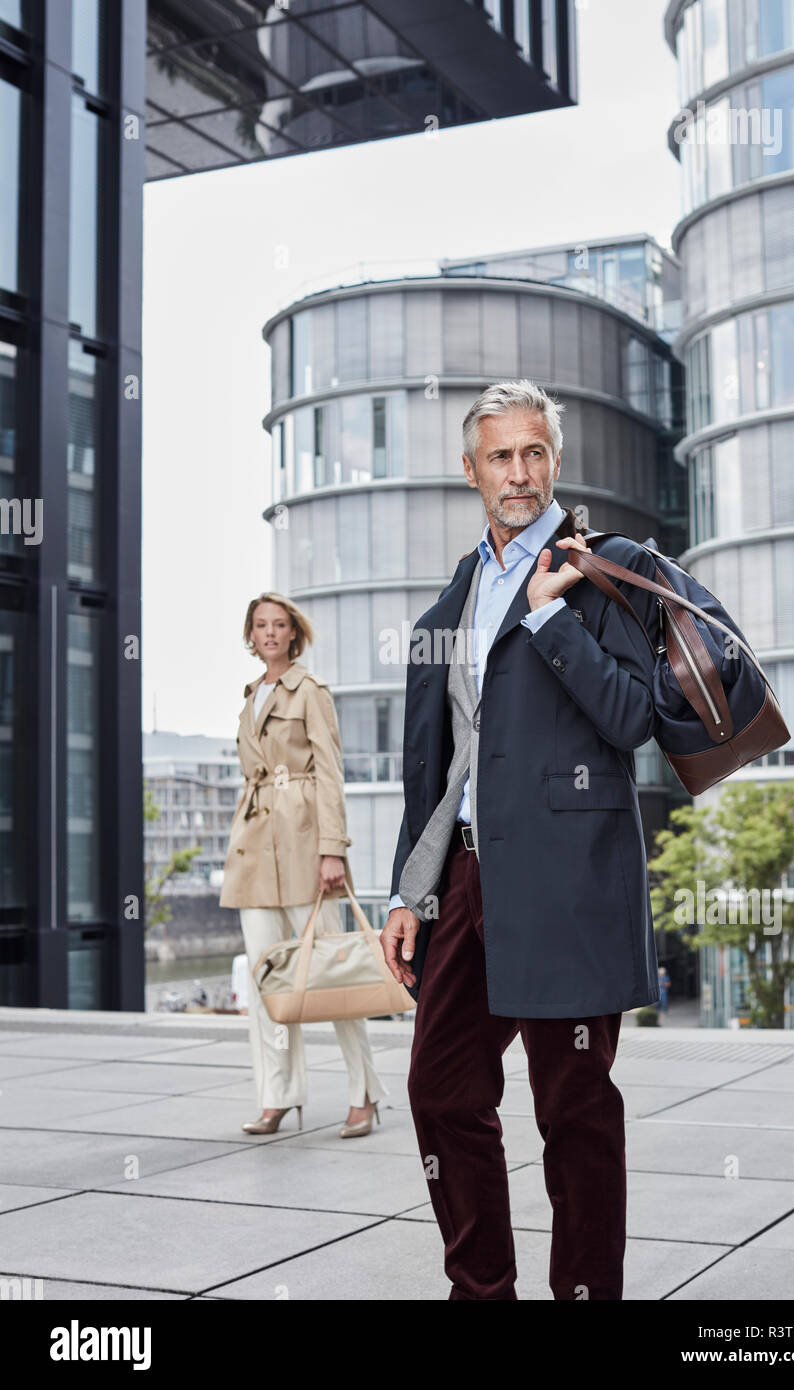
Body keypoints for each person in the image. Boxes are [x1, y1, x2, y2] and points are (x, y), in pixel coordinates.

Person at [382, 380, 662, 1300]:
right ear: (471, 471)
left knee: (574, 1109)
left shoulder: (605, 570)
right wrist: (408, 894)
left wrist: (548, 615)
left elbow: (630, 719)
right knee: (441, 1090)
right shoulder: (449, 608)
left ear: (554, 462)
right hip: (467, 881)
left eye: (535, 452)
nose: (520, 472)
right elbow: (436, 770)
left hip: (568, 882)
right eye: (500, 455)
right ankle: (483, 1290)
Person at [219, 591, 388, 1138]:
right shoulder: (249, 695)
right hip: (253, 848)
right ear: (251, 635)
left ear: (294, 633)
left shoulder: (310, 690)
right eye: (260, 625)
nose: (269, 633)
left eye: (279, 624)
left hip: (304, 843)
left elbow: (330, 771)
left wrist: (332, 848)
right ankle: (277, 1097)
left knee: (333, 976)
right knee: (267, 982)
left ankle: (364, 1093)